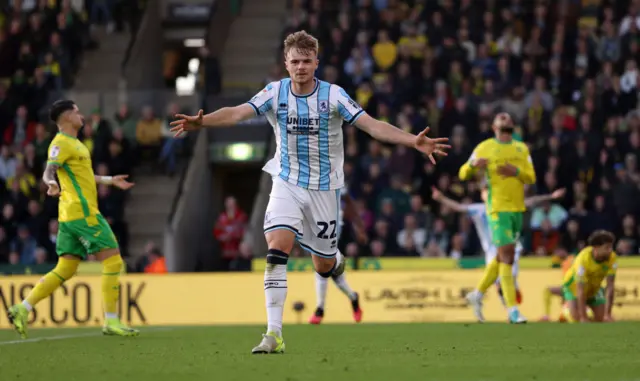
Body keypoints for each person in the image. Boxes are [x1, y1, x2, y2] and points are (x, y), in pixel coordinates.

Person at [170, 30, 450, 354]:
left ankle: (334, 259)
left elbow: (372, 125)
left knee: (323, 266)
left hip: (324, 189)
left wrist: (411, 140)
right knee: (276, 248)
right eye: (294, 61)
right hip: (286, 180)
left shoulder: (333, 96)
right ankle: (273, 334)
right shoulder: (275, 93)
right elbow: (237, 112)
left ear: (316, 62)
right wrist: (203, 122)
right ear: (285, 64)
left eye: (306, 61)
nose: (300, 67)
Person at [7, 100, 139, 339]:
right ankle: (111, 321)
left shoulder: (76, 144)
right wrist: (50, 182)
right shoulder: (60, 143)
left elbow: (84, 175)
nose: (81, 115)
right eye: (77, 111)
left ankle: (21, 308)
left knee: (65, 269)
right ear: (67, 117)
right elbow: (50, 169)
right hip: (82, 213)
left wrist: (110, 180)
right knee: (113, 261)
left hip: (70, 216)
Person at [431, 185, 566, 313]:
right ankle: (508, 308)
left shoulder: (504, 206)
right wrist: (441, 198)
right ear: (482, 195)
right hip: (491, 252)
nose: (487, 194)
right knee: (503, 282)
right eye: (485, 191)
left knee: (507, 281)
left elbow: (529, 202)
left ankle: (499, 302)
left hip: (510, 248)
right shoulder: (478, 209)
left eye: (489, 191)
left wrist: (550, 196)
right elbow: (459, 207)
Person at [458, 112, 536, 324]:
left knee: (502, 256)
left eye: (508, 122)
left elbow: (531, 176)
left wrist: (516, 171)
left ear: (513, 127)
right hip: (497, 208)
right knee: (508, 256)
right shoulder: (484, 148)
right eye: (501, 123)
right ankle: (512, 310)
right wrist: (473, 165)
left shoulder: (521, 148)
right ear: (494, 128)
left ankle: (477, 294)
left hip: (517, 209)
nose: (505, 122)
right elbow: (462, 173)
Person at [309, 191, 366, 324]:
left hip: (335, 249)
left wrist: (359, 228)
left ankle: (320, 309)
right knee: (338, 280)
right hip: (326, 249)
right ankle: (353, 297)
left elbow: (348, 202)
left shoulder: (336, 210)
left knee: (322, 272)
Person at [561, 230, 617, 323]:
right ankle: (566, 311)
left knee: (601, 319)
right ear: (596, 248)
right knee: (577, 319)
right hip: (573, 287)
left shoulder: (612, 258)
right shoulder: (582, 260)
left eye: (611, 247)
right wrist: (583, 317)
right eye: (607, 248)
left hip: (594, 288)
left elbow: (610, 286)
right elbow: (580, 289)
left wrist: (608, 314)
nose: (610, 250)